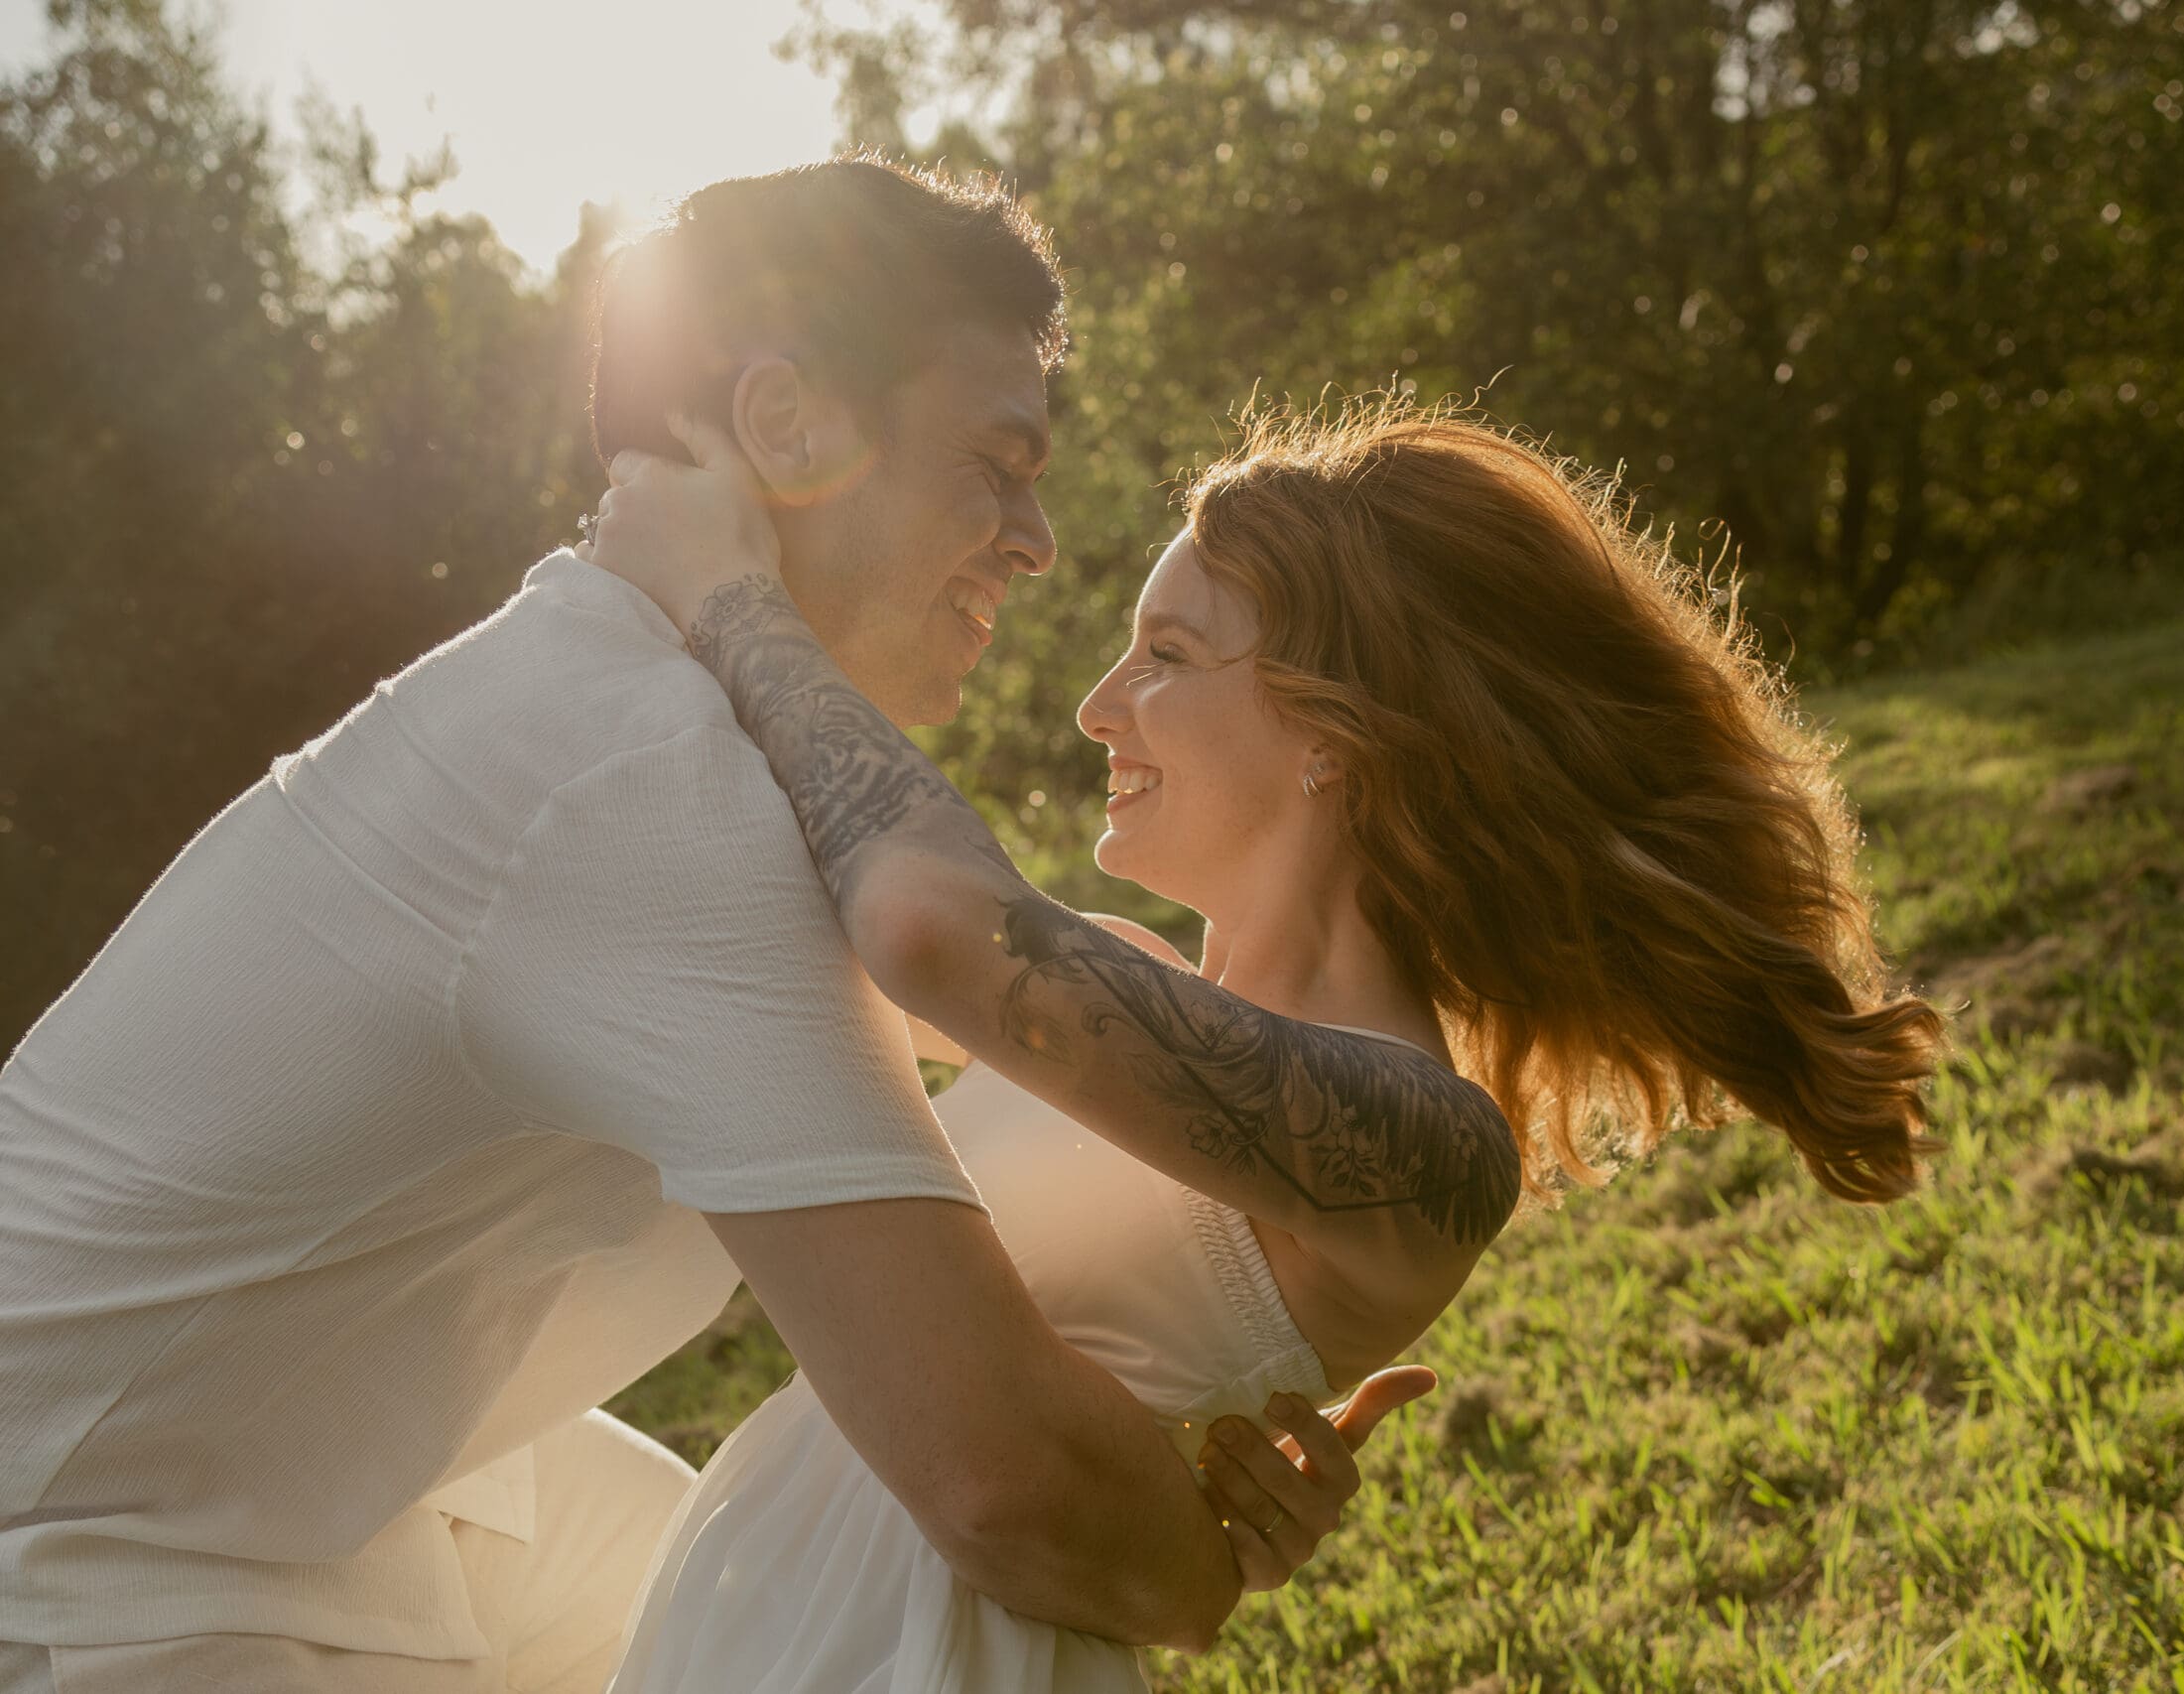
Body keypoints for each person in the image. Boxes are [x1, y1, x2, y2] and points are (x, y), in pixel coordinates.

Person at [0, 157, 1472, 1694]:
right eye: (996, 459)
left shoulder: (658, 716)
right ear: (783, 426)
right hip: (87, 1555)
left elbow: (1031, 1029)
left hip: (324, 1470)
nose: (1035, 538)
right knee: (861, 1602)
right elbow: (1005, 1485)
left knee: (774, 1597)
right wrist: (1195, 1558)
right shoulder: (638, 790)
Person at [582, 395, 1946, 1691]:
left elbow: (933, 921)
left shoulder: (1428, 1144)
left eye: (1167, 657)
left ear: (1336, 731)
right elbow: (742, 931)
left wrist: (734, 597)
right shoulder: (1124, 979)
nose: (1097, 706)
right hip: (768, 1601)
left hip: (927, 1650)